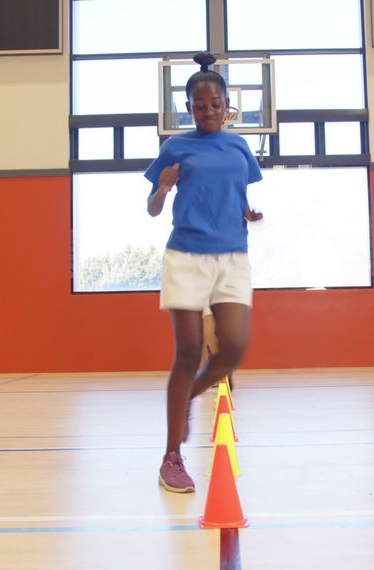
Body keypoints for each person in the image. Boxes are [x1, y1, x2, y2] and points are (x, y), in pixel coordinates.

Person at [145, 52, 263, 493]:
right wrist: (164, 186)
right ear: (189, 107)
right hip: (187, 256)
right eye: (199, 105)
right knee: (189, 352)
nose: (208, 111)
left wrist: (248, 213)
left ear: (226, 103)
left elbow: (234, 193)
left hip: (232, 255)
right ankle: (172, 457)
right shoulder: (175, 147)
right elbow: (153, 208)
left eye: (215, 104)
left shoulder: (239, 147)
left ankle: (188, 396)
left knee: (234, 347)